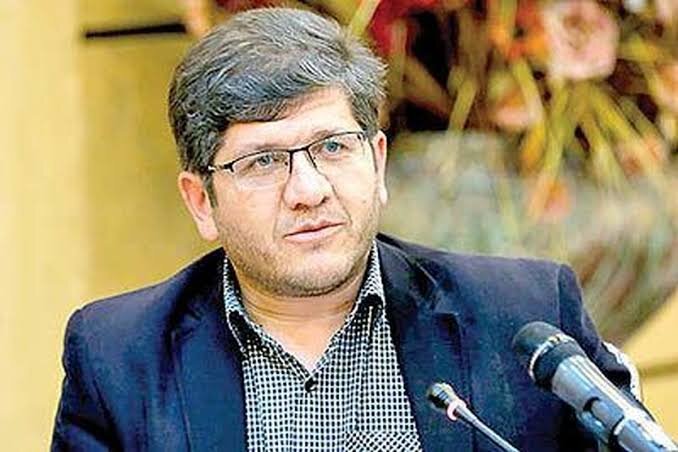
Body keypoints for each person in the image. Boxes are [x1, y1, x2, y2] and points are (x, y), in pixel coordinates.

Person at [51, 7, 640, 451]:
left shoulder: (524, 319)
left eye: (333, 147)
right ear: (201, 201)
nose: (309, 190)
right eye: (263, 161)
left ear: (377, 163)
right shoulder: (119, 358)